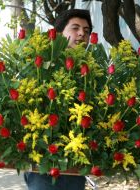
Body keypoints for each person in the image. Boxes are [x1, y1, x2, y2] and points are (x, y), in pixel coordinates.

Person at [24, 9, 93, 190]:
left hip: (75, 165)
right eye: (75, 28)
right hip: (43, 165)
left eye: (86, 31)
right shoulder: (40, 64)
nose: (81, 34)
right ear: (60, 33)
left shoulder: (93, 71)